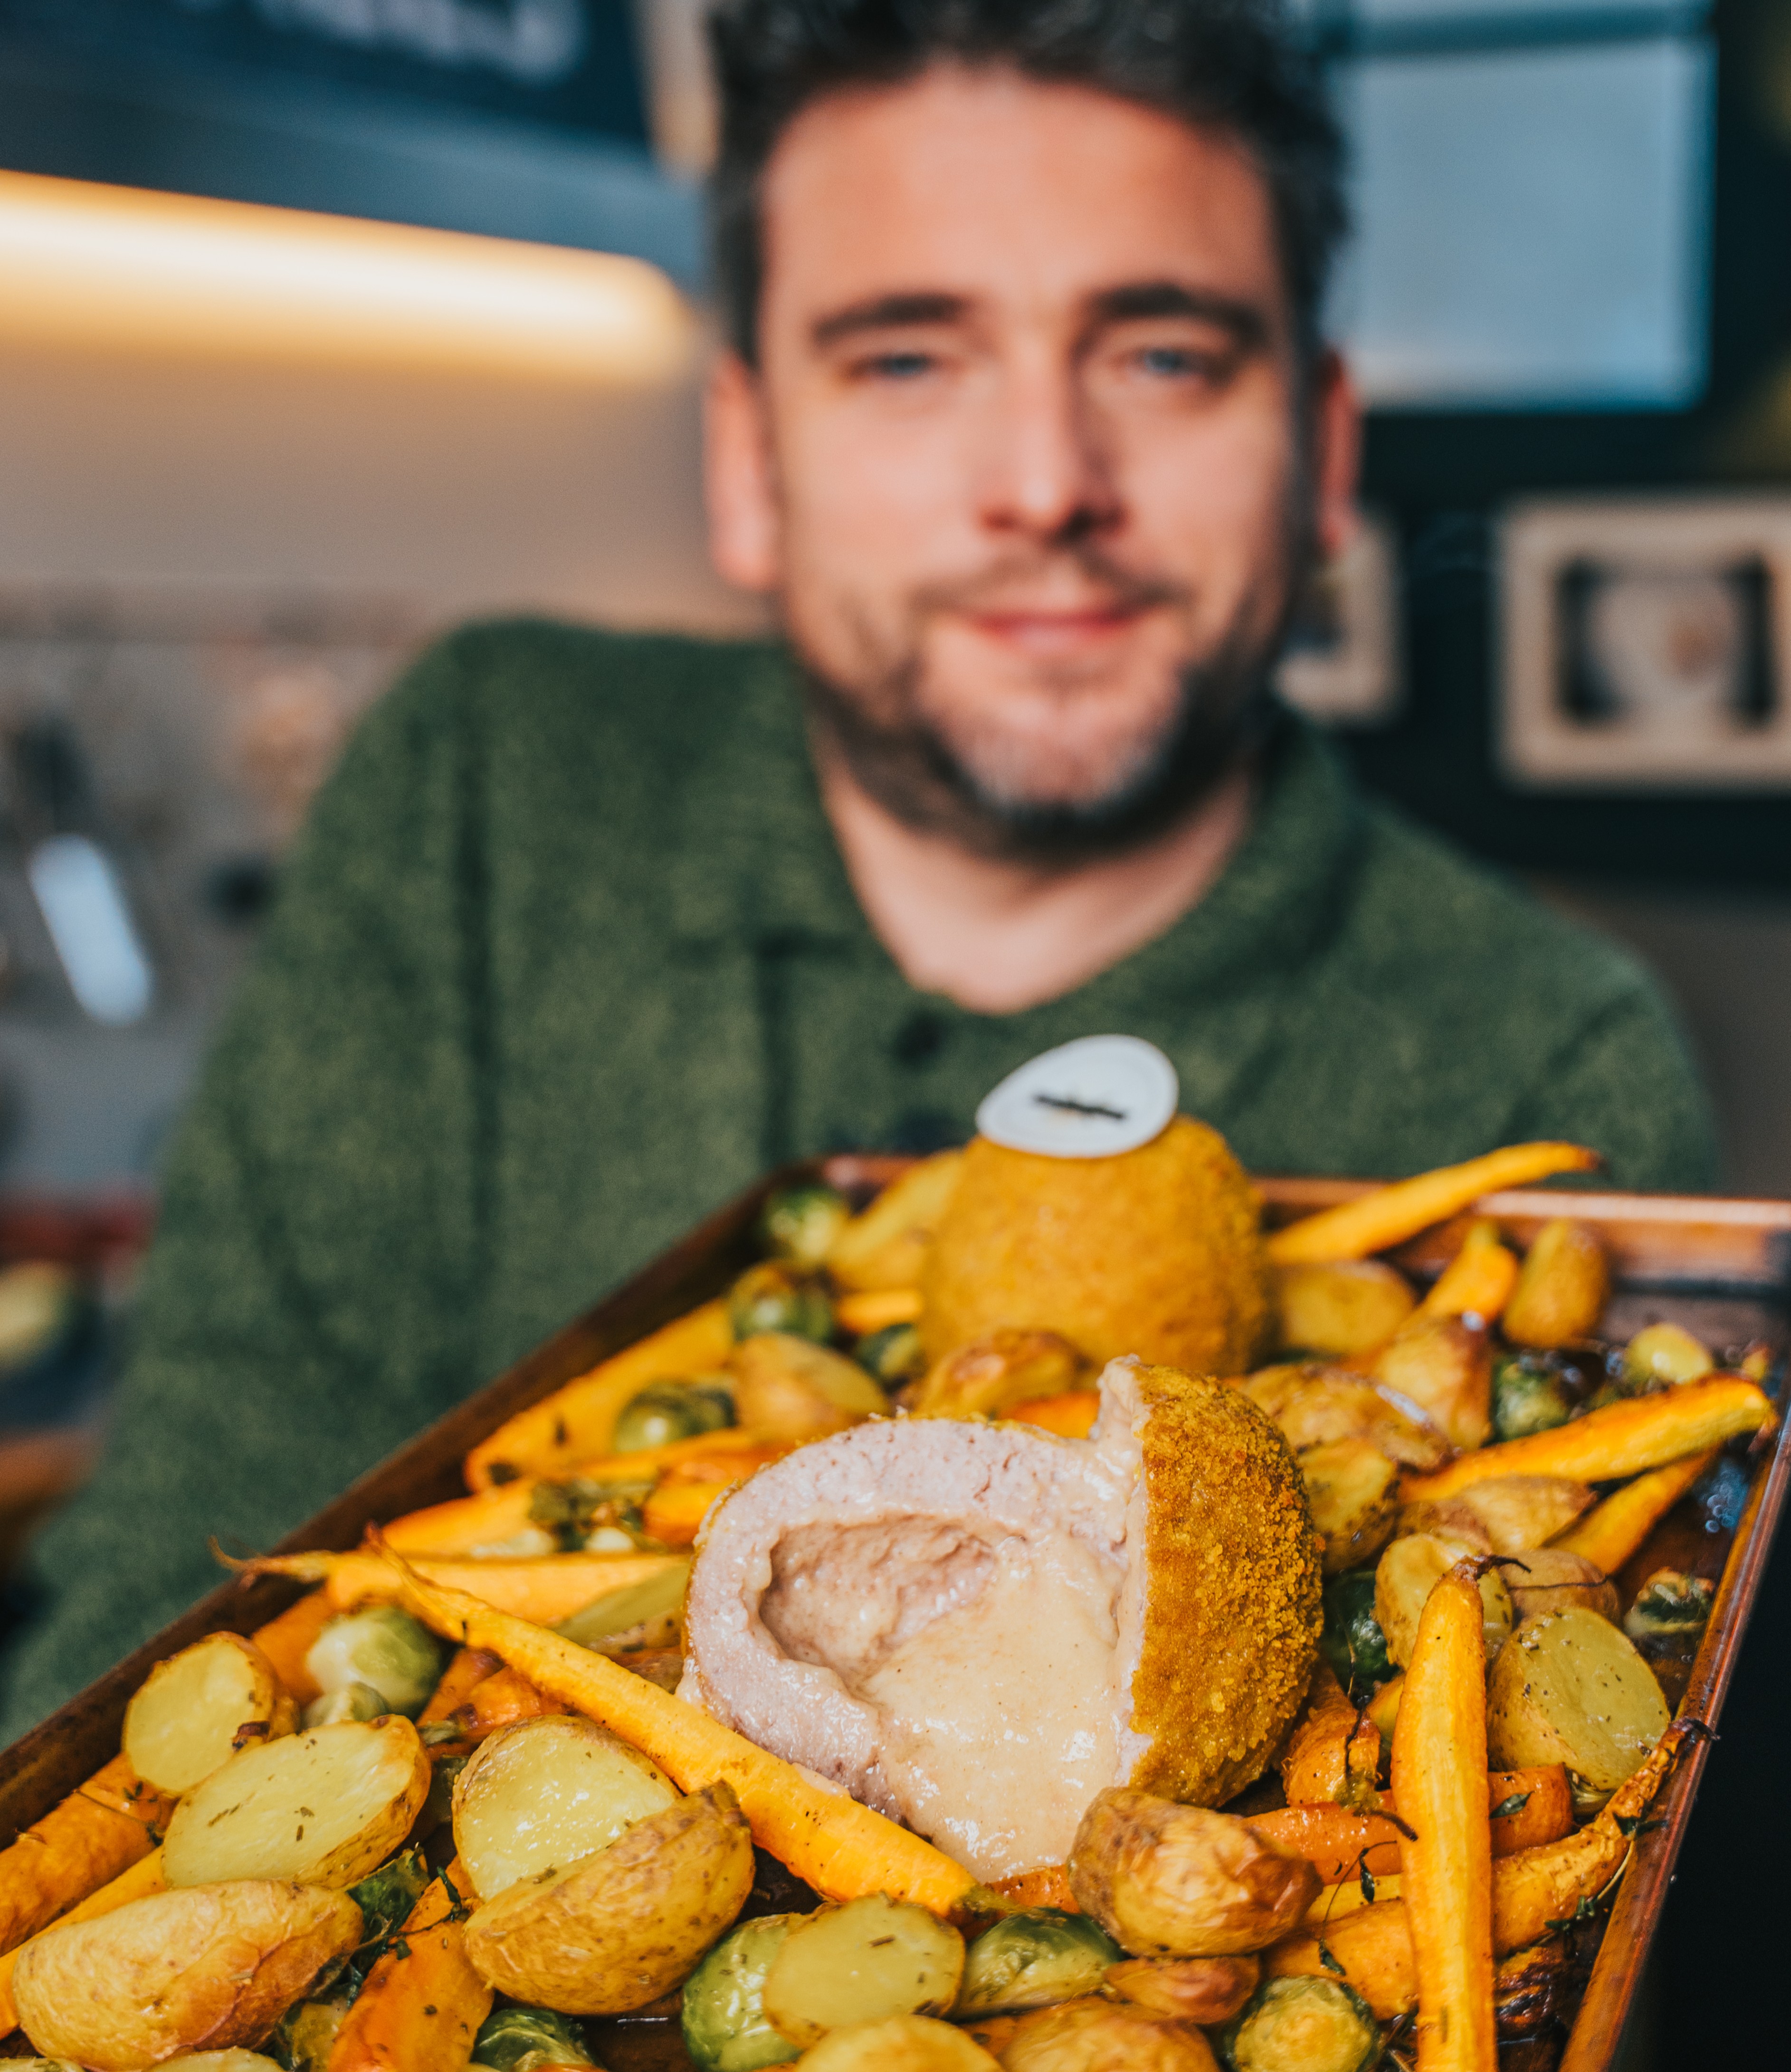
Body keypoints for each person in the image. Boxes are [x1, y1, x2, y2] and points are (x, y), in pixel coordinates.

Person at [0, 0, 1714, 1732]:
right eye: (907, 358)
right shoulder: (488, 781)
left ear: (1319, 459)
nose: (1045, 484)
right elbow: (181, 1562)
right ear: (750, 464)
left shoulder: (1545, 1057)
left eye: (1163, 357)